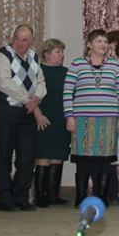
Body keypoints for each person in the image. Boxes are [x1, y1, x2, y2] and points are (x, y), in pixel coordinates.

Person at [64, 29, 119, 207]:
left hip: (108, 120)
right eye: (99, 41)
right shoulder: (77, 64)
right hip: (82, 120)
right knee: (83, 160)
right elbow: (67, 92)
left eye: (105, 42)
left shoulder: (115, 65)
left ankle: (101, 196)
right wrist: (69, 116)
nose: (103, 45)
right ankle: (80, 197)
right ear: (89, 45)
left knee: (105, 160)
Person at [0, 24, 46, 211]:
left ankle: (21, 196)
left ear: (32, 41)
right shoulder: (2, 56)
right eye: (16, 38)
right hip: (6, 113)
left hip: (27, 115)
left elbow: (40, 81)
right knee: (3, 156)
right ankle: (4, 198)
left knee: (26, 158)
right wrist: (27, 100)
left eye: (24, 40)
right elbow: (4, 83)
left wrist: (36, 97)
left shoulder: (34, 57)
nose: (19, 43)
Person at [34, 39, 71, 207]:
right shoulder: (38, 71)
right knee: (44, 156)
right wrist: (38, 115)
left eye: (62, 52)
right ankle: (39, 195)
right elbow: (31, 95)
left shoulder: (66, 72)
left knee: (57, 156)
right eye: (57, 52)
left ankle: (53, 194)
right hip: (44, 119)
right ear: (46, 54)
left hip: (61, 119)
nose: (61, 55)